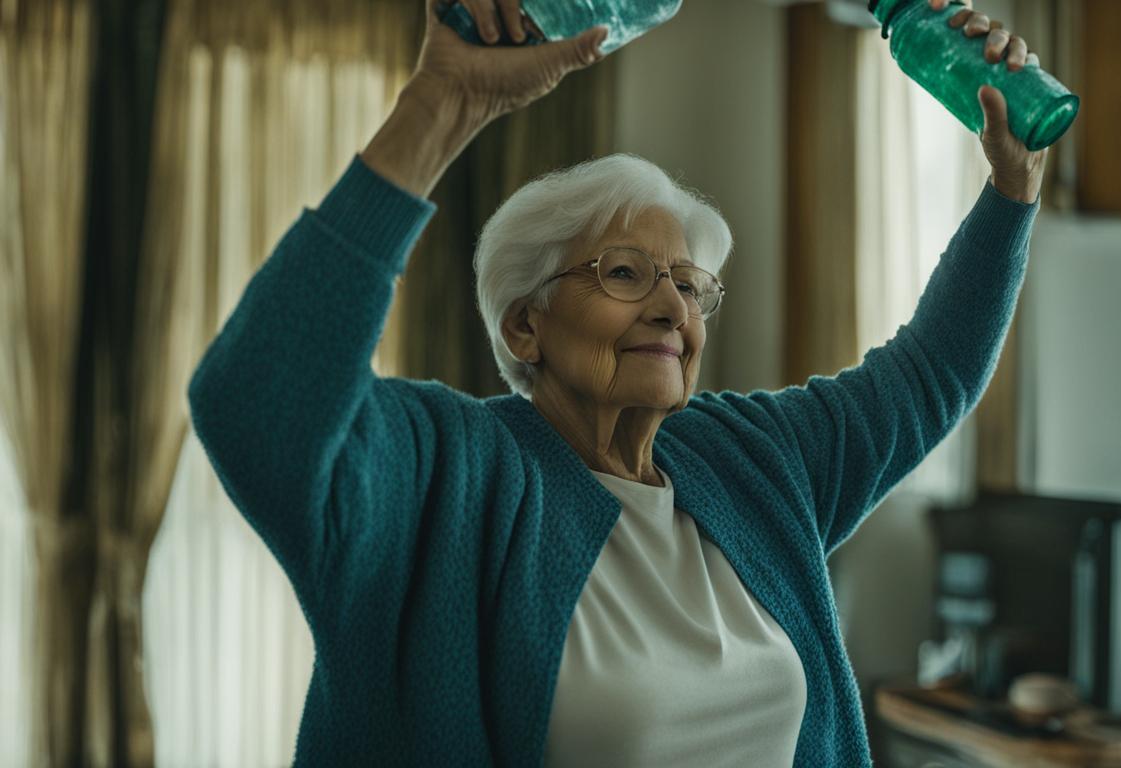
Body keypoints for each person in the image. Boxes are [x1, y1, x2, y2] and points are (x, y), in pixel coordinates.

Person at [186, 0, 1045, 764]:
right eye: (626, 273)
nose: (673, 307)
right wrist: (441, 106)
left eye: (688, 284)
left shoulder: (752, 461)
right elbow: (257, 405)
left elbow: (930, 373)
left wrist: (1013, 187)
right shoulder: (452, 478)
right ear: (526, 324)